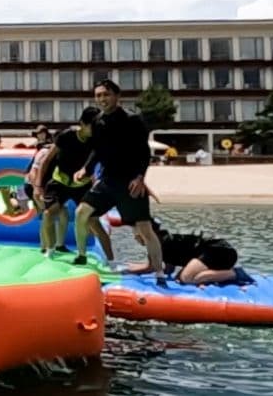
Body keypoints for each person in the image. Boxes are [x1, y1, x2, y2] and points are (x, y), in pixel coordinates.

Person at [73, 80, 163, 283]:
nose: (102, 99)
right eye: (98, 95)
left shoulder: (133, 120)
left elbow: (144, 152)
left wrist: (140, 178)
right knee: (81, 213)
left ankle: (159, 272)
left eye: (106, 94)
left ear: (116, 96)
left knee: (145, 230)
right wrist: (85, 169)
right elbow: (97, 150)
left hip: (130, 183)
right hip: (107, 182)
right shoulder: (97, 121)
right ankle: (81, 256)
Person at [35, 107, 99, 255]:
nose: (95, 130)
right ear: (82, 124)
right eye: (92, 126)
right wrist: (38, 186)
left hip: (82, 183)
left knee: (92, 220)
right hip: (60, 181)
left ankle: (105, 256)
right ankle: (50, 249)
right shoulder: (66, 136)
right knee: (48, 213)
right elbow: (46, 161)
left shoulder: (96, 140)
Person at [126, 220, 239, 285]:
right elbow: (168, 269)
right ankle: (225, 272)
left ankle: (236, 274)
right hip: (215, 251)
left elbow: (151, 268)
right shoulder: (162, 241)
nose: (135, 237)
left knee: (186, 278)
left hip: (218, 251)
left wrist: (124, 272)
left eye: (137, 234)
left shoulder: (160, 244)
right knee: (180, 277)